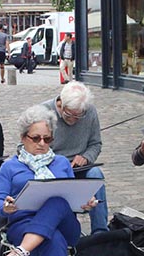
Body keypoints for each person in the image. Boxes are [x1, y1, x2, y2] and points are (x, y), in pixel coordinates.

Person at [0, 105, 98, 256]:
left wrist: (85, 203)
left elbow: (73, 199)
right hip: (23, 225)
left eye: (47, 139)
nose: (42, 144)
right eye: (36, 138)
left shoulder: (61, 163)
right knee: (53, 239)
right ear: (23, 137)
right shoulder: (9, 167)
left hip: (64, 221)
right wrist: (7, 207)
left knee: (58, 202)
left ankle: (19, 253)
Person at [41, 81, 109, 234]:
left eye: (78, 116)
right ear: (61, 104)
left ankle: (100, 232)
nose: (73, 120)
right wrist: (55, 161)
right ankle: (67, 230)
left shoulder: (89, 111)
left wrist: (85, 157)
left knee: (96, 174)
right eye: (69, 114)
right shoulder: (44, 112)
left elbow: (95, 143)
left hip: (79, 167)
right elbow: (26, 148)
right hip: (52, 170)